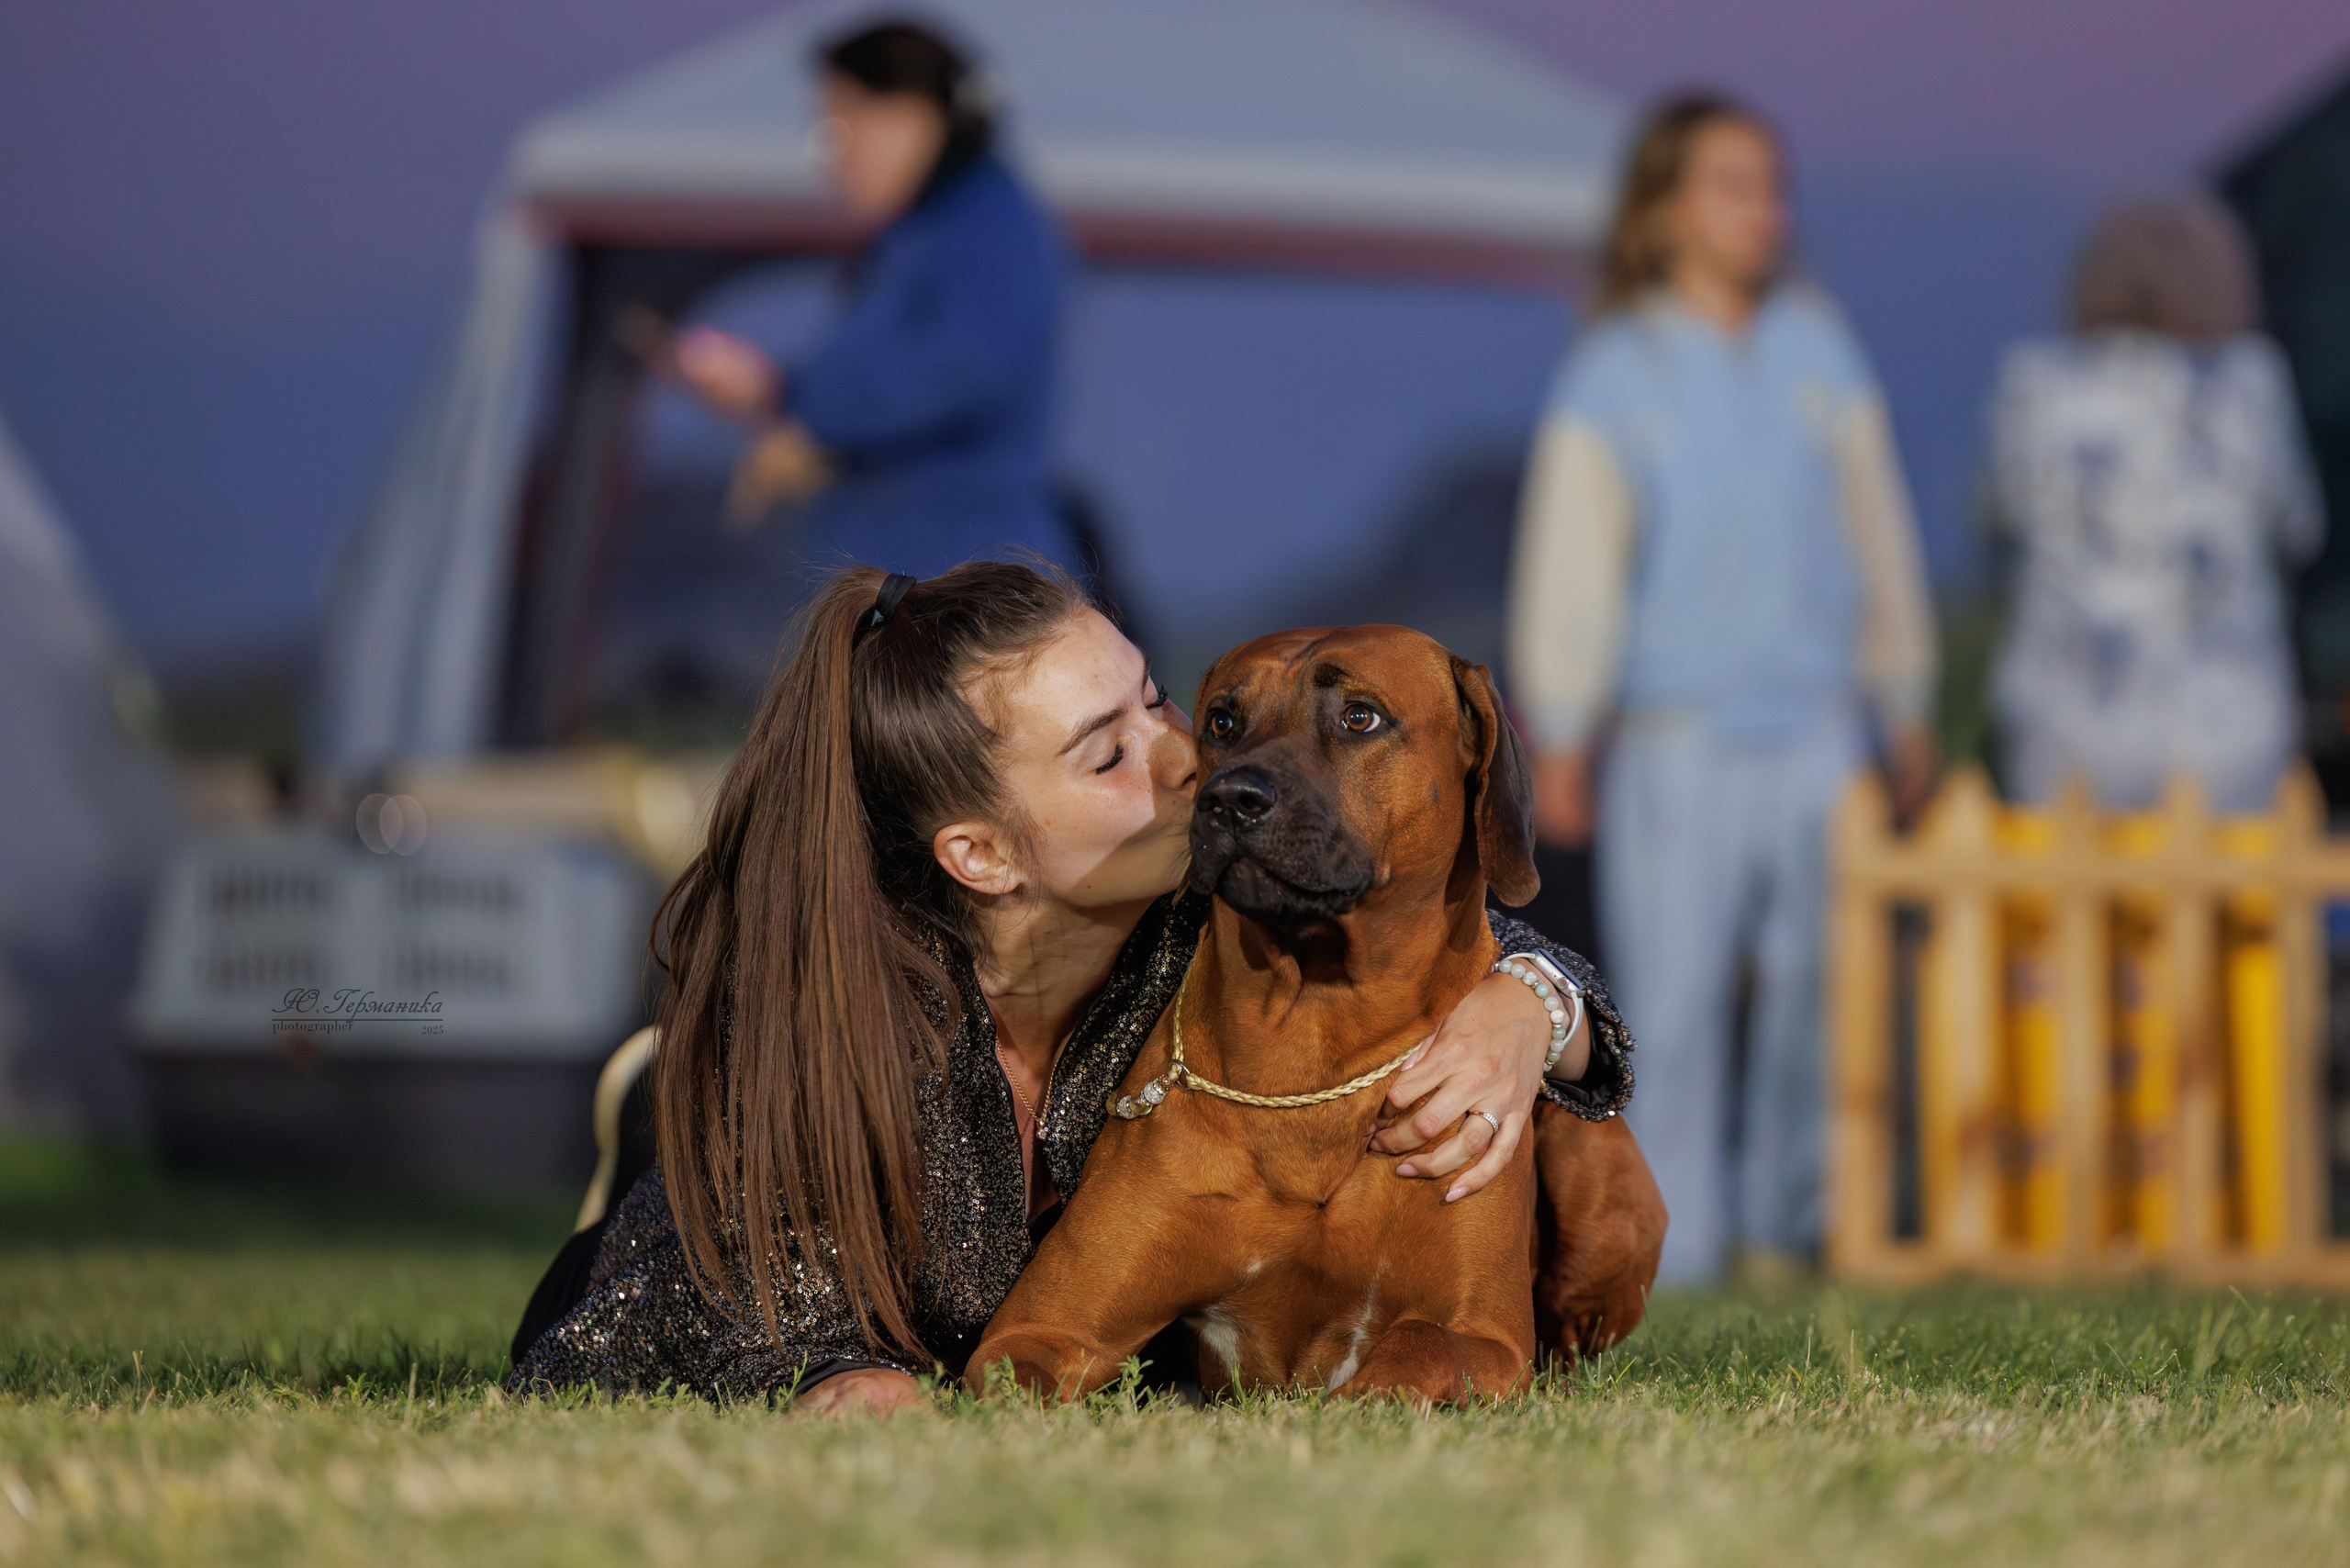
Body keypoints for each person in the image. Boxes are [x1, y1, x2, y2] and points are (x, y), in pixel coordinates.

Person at [511, 561, 1636, 1414]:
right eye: (1108, 753)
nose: (1198, 763)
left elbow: (1449, 921)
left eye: (1162, 702)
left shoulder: (1206, 914)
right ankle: (649, 1113)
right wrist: (835, 1377)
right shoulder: (844, 1028)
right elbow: (747, 1314)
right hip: (699, 1272)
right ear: (982, 854)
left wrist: (1532, 1001)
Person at [1505, 93, 1938, 1285]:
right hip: (1675, 732)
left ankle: (1789, 1221)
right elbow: (1573, 559)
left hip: (1817, 725)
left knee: (1819, 981)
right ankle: (1678, 1240)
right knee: (1676, 996)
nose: (1764, 211)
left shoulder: (1817, 349)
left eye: (1773, 187)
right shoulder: (1615, 368)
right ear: (1664, 208)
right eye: (1734, 185)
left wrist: (1903, 694)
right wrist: (1566, 725)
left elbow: (1877, 533)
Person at [669, 21, 1080, 578]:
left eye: (838, 129)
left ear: (912, 116)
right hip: (909, 579)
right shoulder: (925, 232)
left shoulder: (990, 230)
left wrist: (799, 406)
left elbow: (954, 369)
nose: (830, 159)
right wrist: (779, 395)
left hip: (968, 590)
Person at [1986, 196, 2324, 813]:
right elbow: (2300, 529)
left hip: (2067, 728)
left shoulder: (2036, 382)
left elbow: (2000, 522)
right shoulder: (2252, 383)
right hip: (2229, 730)